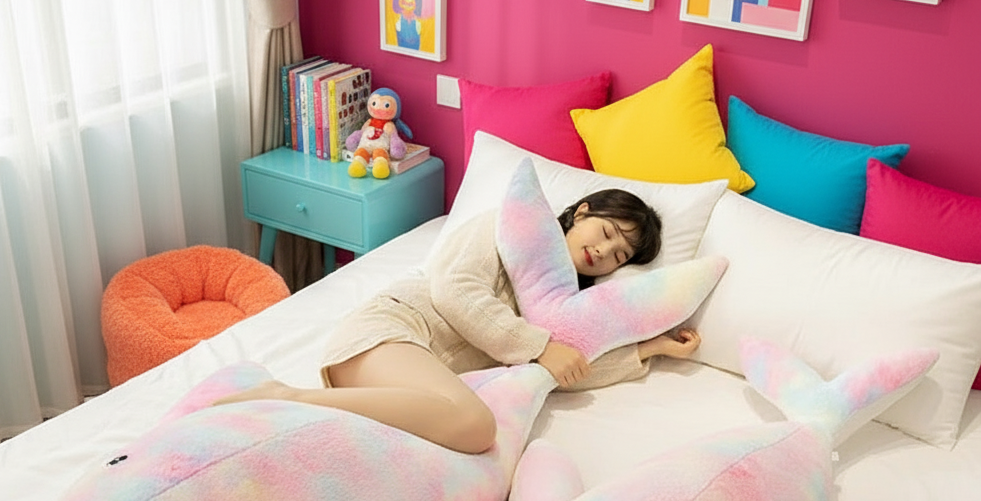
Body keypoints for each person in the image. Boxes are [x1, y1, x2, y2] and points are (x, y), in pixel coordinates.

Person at [216, 190, 701, 453]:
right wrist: (538, 346)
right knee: (476, 426)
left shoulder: (564, 302)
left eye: (620, 255)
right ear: (582, 211)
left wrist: (649, 349)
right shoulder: (507, 226)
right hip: (393, 330)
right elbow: (454, 288)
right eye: (608, 232)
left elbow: (567, 366)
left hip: (414, 386)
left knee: (456, 431)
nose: (605, 251)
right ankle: (285, 396)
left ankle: (290, 414)